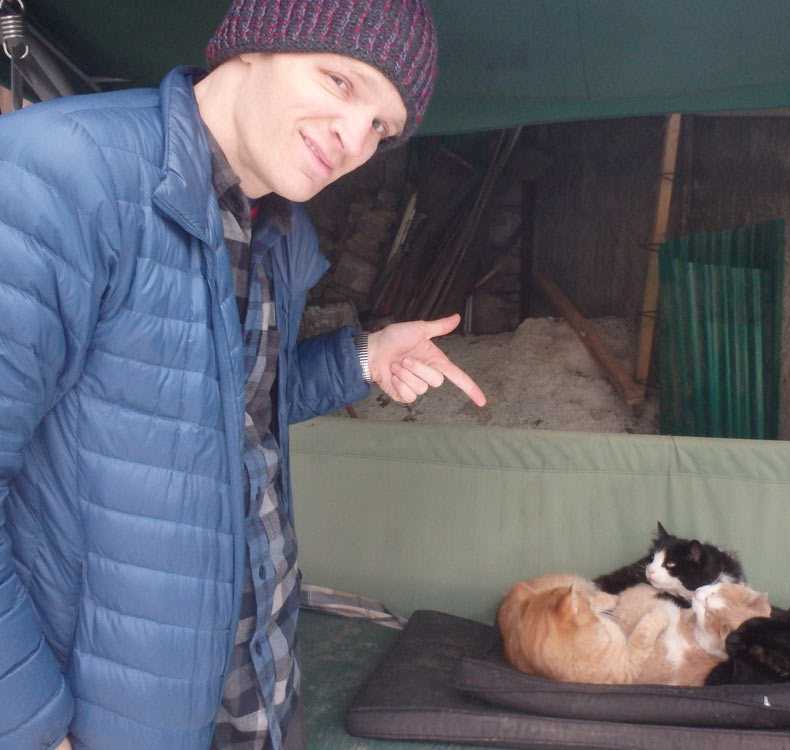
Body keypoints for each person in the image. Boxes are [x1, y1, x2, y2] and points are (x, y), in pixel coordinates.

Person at [0, 1, 485, 748]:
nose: (354, 138)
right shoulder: (59, 176)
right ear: (255, 46)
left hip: (255, 690)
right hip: (109, 712)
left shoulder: (278, 225)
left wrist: (363, 357)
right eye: (340, 81)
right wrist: (30, 726)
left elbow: (220, 408)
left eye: (382, 128)